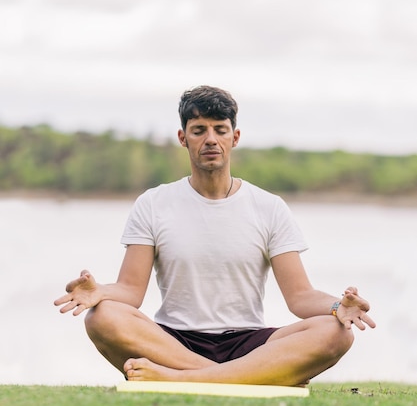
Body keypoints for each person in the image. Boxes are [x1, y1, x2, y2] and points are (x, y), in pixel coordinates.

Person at [54, 85, 375, 386]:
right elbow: (130, 291)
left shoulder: (269, 207)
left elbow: (300, 297)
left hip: (248, 341)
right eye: (199, 130)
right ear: (183, 137)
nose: (210, 139)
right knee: (102, 317)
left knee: (337, 332)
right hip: (173, 340)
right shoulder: (153, 203)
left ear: (234, 137)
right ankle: (254, 377)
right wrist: (99, 292)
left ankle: (183, 379)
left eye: (220, 130)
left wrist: (337, 306)